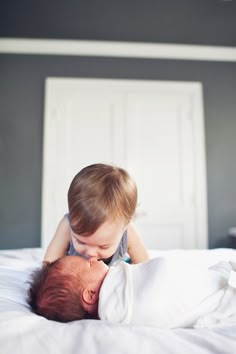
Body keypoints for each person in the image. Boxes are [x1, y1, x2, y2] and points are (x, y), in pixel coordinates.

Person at [28, 255, 236, 328]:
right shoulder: (118, 308)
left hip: (205, 279)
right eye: (88, 265)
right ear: (90, 295)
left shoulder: (117, 278)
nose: (93, 258)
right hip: (214, 294)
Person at [44, 163, 149, 265]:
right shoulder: (67, 226)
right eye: (81, 242)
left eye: (104, 246)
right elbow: (48, 266)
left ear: (124, 226)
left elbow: (146, 267)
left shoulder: (128, 231)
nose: (91, 253)